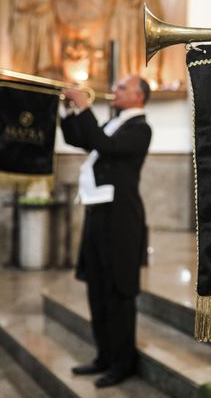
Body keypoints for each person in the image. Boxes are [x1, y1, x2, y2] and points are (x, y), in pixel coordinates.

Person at [61, 74, 151, 388]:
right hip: (98, 214)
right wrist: (70, 110)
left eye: (122, 88)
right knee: (96, 289)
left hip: (122, 220)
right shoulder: (114, 123)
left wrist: (85, 107)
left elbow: (106, 147)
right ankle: (103, 356)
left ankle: (122, 363)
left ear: (139, 97)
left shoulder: (141, 129)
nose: (115, 91)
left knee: (119, 292)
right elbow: (79, 139)